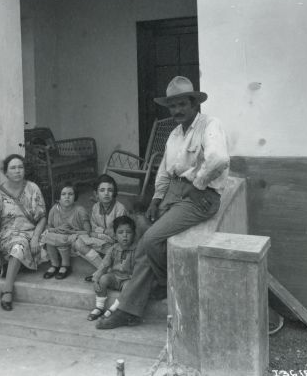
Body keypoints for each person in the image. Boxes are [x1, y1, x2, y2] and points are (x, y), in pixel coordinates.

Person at [97, 76, 230, 329]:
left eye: (182, 104)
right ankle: (130, 309)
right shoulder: (174, 133)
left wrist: (198, 184)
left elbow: (219, 159)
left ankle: (162, 283)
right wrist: (157, 198)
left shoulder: (210, 124)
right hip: (175, 192)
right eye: (172, 106)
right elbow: (165, 172)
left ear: (194, 103)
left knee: (150, 240)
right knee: (145, 235)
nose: (177, 111)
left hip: (200, 196)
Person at [0, 154, 47, 311]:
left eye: (20, 167)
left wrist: (35, 237)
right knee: (18, 247)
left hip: (32, 231)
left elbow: (42, 217)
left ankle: (15, 265)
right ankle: (7, 290)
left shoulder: (32, 188)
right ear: (6, 172)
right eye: (13, 168)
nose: (17, 171)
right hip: (9, 234)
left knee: (52, 241)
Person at [73, 174, 128, 277]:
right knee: (77, 243)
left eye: (110, 190)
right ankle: (105, 270)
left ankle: (103, 272)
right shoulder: (95, 207)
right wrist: (105, 232)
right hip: (102, 241)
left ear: (114, 192)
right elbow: (93, 230)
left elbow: (118, 235)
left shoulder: (120, 209)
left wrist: (101, 232)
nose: (106, 193)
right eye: (102, 190)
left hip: (117, 246)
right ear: (96, 194)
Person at [87, 215, 136, 321]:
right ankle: (99, 307)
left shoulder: (136, 250)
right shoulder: (113, 249)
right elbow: (104, 265)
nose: (125, 236)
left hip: (128, 279)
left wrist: (134, 277)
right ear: (115, 235)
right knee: (103, 279)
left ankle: (113, 309)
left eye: (128, 232)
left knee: (129, 286)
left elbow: (139, 267)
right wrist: (96, 279)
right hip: (115, 277)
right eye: (120, 232)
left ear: (134, 234)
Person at [41, 182, 90, 280]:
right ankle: (54, 265)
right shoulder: (54, 209)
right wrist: (56, 229)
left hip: (74, 237)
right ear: (58, 197)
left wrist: (71, 233)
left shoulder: (80, 210)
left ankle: (65, 265)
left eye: (70, 194)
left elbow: (87, 231)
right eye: (63, 194)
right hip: (58, 237)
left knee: (61, 238)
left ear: (75, 196)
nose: (67, 197)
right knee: (49, 236)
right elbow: (49, 228)